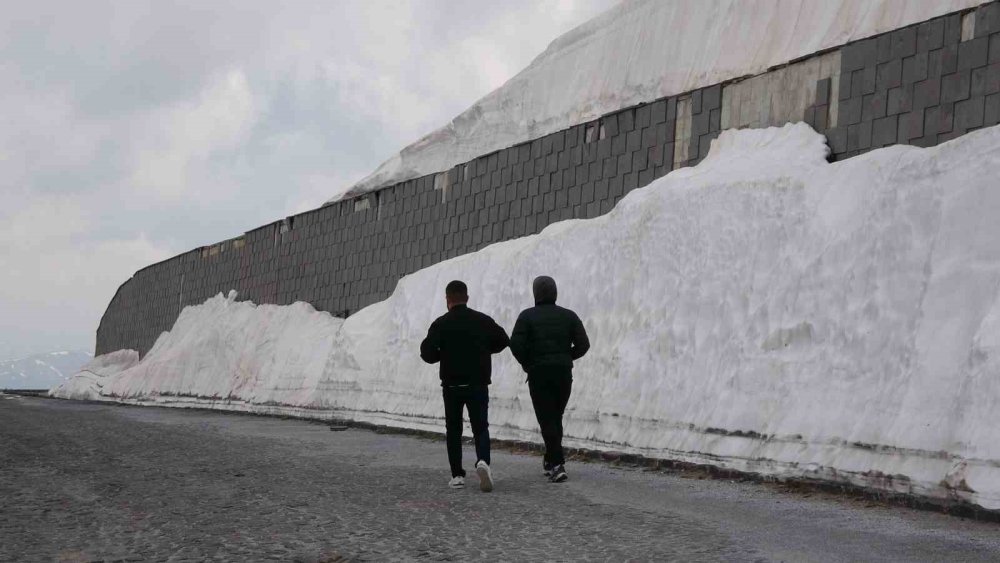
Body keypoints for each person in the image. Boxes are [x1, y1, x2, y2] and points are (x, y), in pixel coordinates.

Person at [420, 280, 510, 492]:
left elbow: (427, 353)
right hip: (478, 383)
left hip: (451, 385)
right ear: (467, 298)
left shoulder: (441, 323)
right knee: (480, 427)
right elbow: (504, 339)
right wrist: (485, 349)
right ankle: (483, 462)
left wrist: (443, 354)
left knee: (453, 429)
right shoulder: (482, 320)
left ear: (447, 300)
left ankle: (457, 475)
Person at [509, 276, 590, 483]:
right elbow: (583, 344)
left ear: (536, 293)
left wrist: (528, 362)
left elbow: (515, 345)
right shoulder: (569, 316)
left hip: (539, 373)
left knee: (547, 419)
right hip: (563, 373)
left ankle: (557, 464)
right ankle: (550, 459)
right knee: (555, 416)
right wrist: (565, 357)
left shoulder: (526, 317)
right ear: (555, 292)